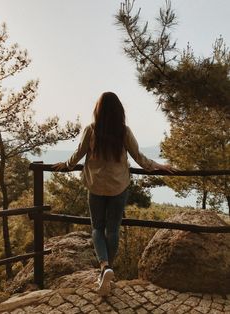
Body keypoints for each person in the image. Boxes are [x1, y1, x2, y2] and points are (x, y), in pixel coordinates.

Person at [52, 91, 174, 296]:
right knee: (113, 230)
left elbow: (78, 154)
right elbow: (140, 158)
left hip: (96, 187)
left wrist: (65, 165)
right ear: (119, 111)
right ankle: (107, 271)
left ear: (97, 110)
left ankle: (104, 266)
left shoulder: (91, 131)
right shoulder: (124, 131)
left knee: (97, 228)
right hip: (118, 187)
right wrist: (160, 166)